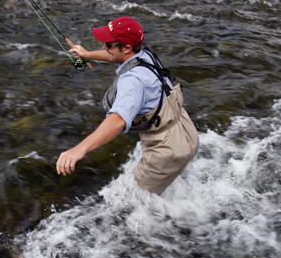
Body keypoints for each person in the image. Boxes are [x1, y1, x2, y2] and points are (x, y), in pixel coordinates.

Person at [56, 17, 199, 195]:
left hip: (167, 150)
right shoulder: (144, 54)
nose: (103, 48)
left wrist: (80, 149)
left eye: (108, 44)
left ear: (127, 47)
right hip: (185, 131)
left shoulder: (132, 81)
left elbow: (118, 120)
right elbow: (116, 56)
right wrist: (87, 54)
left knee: (134, 202)